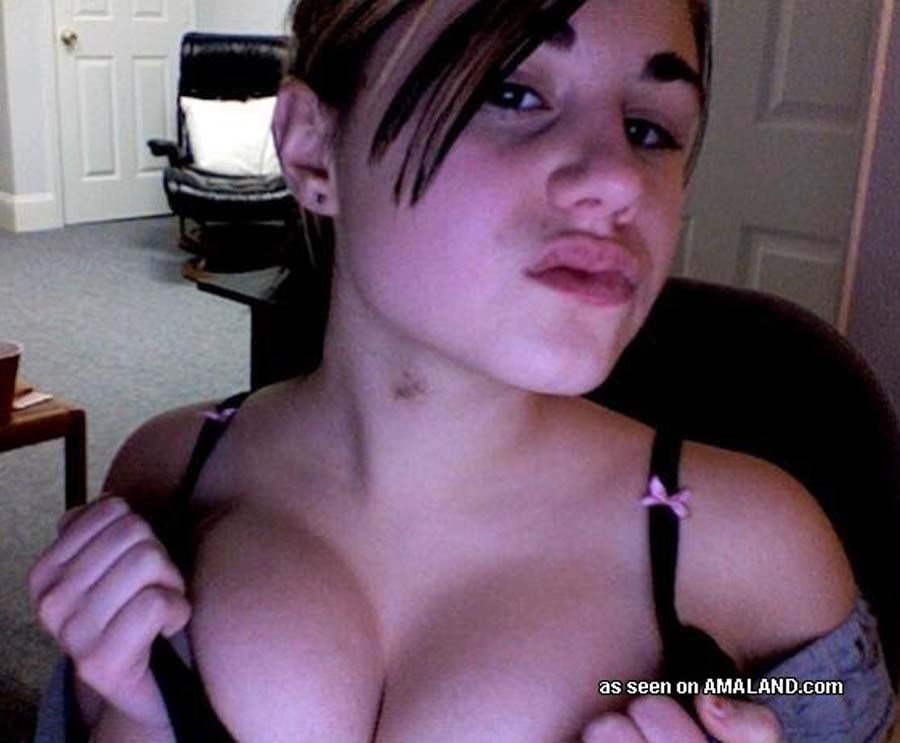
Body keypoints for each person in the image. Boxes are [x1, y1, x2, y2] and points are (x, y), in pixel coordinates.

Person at [29, 0, 897, 741]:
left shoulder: (763, 555)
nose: (618, 180)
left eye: (649, 130)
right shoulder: (167, 474)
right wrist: (128, 713)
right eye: (512, 93)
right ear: (312, 149)